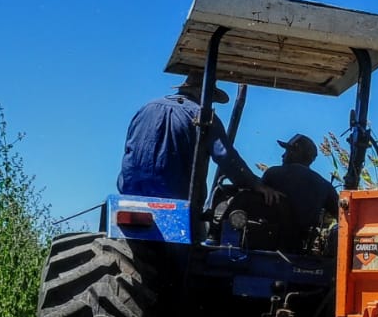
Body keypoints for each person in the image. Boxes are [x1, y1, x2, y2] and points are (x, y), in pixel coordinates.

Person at [117, 72, 260, 199]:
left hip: (131, 193)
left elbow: (129, 149)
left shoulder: (146, 109)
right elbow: (226, 157)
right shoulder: (203, 116)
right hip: (178, 198)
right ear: (203, 93)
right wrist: (254, 184)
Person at [262, 133, 340, 245]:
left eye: (287, 151)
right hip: (300, 247)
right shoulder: (325, 185)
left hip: (266, 242)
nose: (283, 156)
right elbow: (341, 216)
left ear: (294, 153)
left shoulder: (273, 173)